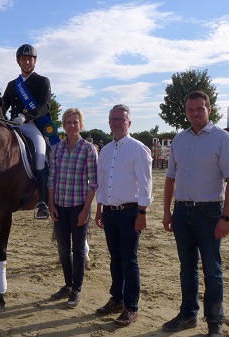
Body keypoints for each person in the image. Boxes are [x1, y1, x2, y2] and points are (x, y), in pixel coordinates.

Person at [162, 91, 229, 337]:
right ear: (186, 111)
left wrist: (225, 217)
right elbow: (170, 178)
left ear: (209, 108)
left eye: (199, 109)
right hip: (182, 211)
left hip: (209, 213)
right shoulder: (179, 140)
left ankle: (214, 322)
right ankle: (188, 314)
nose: (195, 113)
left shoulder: (223, 139)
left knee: (212, 269)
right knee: (187, 267)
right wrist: (167, 211)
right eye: (190, 110)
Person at [94, 104, 153, 327]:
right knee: (115, 259)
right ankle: (116, 299)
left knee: (129, 260)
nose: (116, 122)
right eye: (113, 119)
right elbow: (102, 183)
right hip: (109, 212)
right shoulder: (106, 150)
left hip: (130, 213)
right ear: (109, 122)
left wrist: (143, 212)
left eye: (121, 119)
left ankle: (131, 307)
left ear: (129, 123)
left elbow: (146, 184)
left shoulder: (138, 149)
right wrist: (100, 209)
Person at [48, 108, 98, 309]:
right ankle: (68, 284)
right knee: (62, 249)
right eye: (68, 122)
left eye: (75, 122)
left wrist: (86, 210)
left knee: (77, 249)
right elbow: (51, 179)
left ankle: (77, 289)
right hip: (59, 205)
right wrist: (51, 204)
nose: (71, 126)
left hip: (79, 206)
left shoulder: (88, 149)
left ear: (81, 124)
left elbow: (92, 183)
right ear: (63, 124)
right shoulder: (57, 149)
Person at [2, 44, 52, 219]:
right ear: (18, 61)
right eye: (23, 59)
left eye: (30, 58)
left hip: (32, 126)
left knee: (39, 157)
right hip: (13, 125)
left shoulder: (42, 81)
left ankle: (43, 202)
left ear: (35, 61)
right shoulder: (11, 85)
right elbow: (3, 106)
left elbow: (45, 106)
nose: (27, 61)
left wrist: (26, 116)